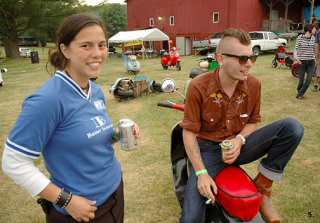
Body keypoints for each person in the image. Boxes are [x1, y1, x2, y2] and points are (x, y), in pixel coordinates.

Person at [2, 13, 140, 223]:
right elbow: (13, 162)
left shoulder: (94, 90)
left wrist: (116, 135)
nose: (97, 54)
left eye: (102, 45)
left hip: (113, 192)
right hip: (82, 210)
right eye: (86, 45)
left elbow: (87, 139)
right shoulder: (47, 100)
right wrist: (66, 201)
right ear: (65, 49)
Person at [179, 28, 303, 223]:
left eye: (252, 58)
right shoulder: (198, 86)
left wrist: (239, 140)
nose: (249, 65)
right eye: (242, 59)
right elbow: (188, 132)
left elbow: (252, 121)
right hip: (209, 150)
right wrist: (201, 173)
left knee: (292, 128)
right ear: (221, 59)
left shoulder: (254, 85)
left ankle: (263, 188)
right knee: (190, 219)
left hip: (239, 146)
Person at [293, 23, 316, 99]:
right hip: (302, 62)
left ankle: (300, 94)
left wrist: (316, 57)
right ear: (309, 29)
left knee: (309, 80)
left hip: (311, 62)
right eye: (314, 29)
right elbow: (295, 49)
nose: (315, 30)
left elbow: (315, 49)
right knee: (301, 81)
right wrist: (296, 58)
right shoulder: (300, 38)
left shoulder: (314, 38)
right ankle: (300, 92)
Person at [313, 25, 320, 92]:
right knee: (318, 71)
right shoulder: (319, 32)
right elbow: (317, 45)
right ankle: (315, 85)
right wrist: (317, 58)